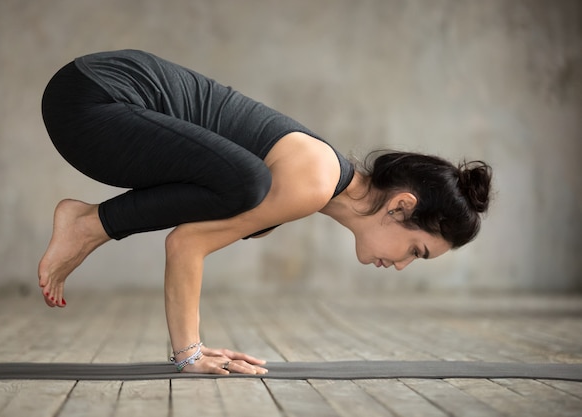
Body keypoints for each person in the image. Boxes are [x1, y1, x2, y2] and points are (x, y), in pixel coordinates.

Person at [38, 49, 492, 375]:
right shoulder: (313, 180)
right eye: (417, 250)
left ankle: (90, 221)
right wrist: (189, 354)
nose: (401, 265)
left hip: (89, 98)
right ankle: (89, 223)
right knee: (245, 184)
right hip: (92, 102)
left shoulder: (315, 181)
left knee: (242, 186)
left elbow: (189, 230)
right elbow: (186, 243)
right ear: (400, 206)